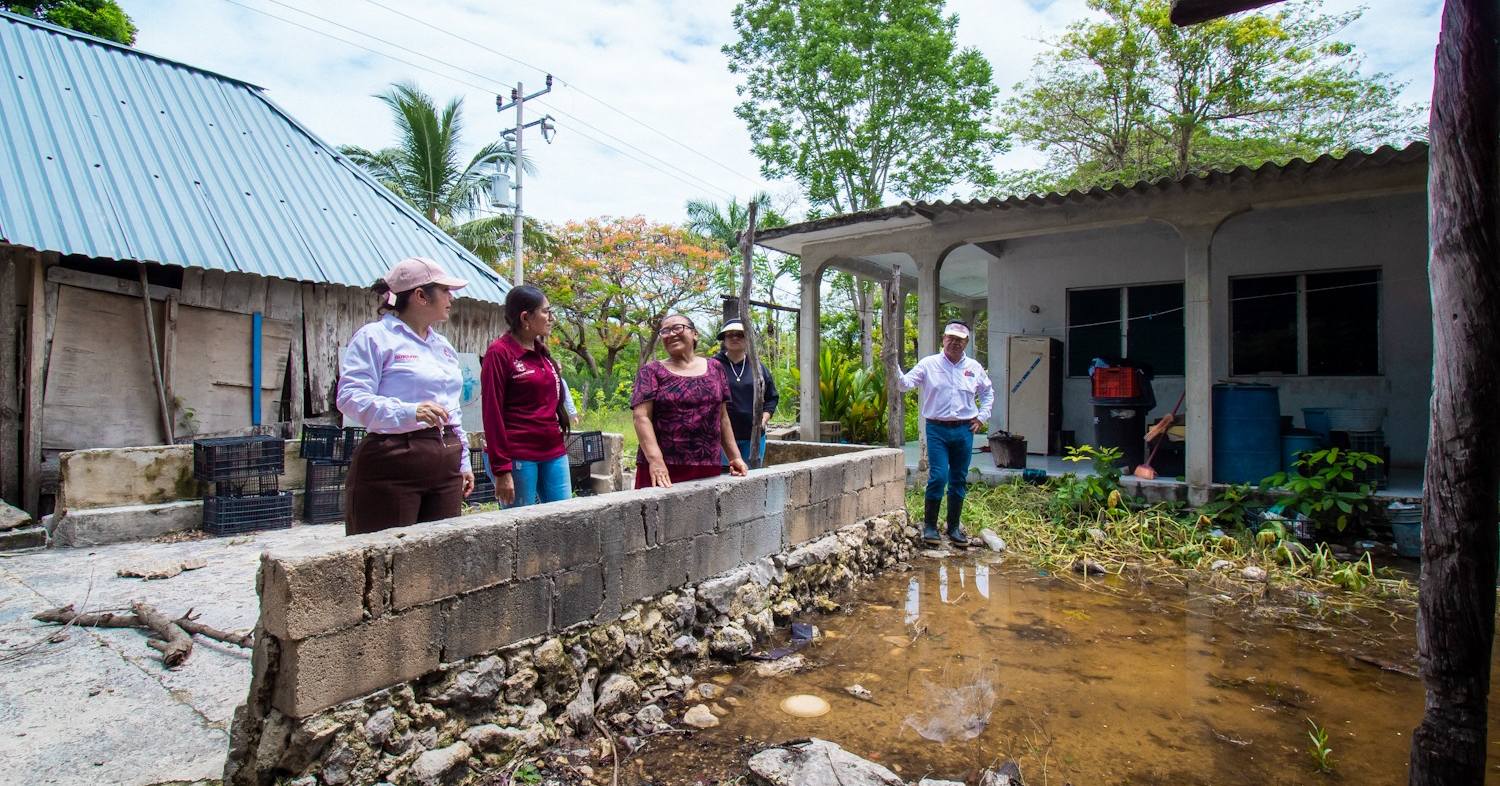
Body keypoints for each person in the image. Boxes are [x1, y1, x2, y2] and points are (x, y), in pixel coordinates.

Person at [337, 257, 474, 535]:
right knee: (387, 555)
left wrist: (463, 460)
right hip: (394, 458)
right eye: (445, 291)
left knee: (440, 553)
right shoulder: (375, 337)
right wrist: (409, 412)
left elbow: (451, 407)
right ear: (421, 296)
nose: (451, 298)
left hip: (444, 458)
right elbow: (350, 396)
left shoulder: (442, 346)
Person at [898, 320, 995, 547]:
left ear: (966, 343)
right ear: (943, 339)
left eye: (959, 340)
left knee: (959, 478)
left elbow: (988, 393)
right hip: (937, 429)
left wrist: (982, 417)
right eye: (950, 338)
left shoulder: (974, 368)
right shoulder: (929, 364)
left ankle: (953, 527)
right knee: (939, 476)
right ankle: (930, 526)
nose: (954, 343)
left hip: (964, 430)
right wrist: (892, 364)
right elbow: (904, 385)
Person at [631, 315, 749, 488]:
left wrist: (734, 457)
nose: (671, 334)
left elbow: (722, 417)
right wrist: (655, 460)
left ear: (695, 334)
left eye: (677, 328)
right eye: (665, 331)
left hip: (707, 463)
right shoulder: (651, 371)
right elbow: (641, 418)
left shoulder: (715, 368)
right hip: (663, 468)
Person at [481, 284, 571, 507]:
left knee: (567, 520)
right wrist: (501, 469)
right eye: (546, 311)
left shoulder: (541, 352)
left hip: (553, 450)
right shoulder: (500, 352)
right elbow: (492, 413)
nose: (551, 318)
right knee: (521, 527)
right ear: (525, 317)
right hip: (519, 455)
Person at [711, 319, 779, 467]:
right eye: (730, 335)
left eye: (740, 334)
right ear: (724, 339)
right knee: (724, 478)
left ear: (748, 338)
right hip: (721, 437)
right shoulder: (712, 366)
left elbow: (771, 398)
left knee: (753, 476)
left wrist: (763, 420)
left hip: (753, 436)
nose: (735, 338)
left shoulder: (758, 367)